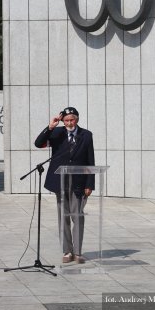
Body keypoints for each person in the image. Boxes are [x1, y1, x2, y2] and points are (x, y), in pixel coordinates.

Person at [34, 107, 95, 263]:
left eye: (72, 120)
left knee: (78, 217)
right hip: (60, 183)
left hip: (78, 183)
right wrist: (50, 127)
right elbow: (38, 143)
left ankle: (78, 252)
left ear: (77, 119)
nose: (69, 123)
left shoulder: (86, 135)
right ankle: (67, 251)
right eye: (66, 120)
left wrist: (90, 184)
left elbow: (90, 161)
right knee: (64, 218)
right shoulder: (56, 133)